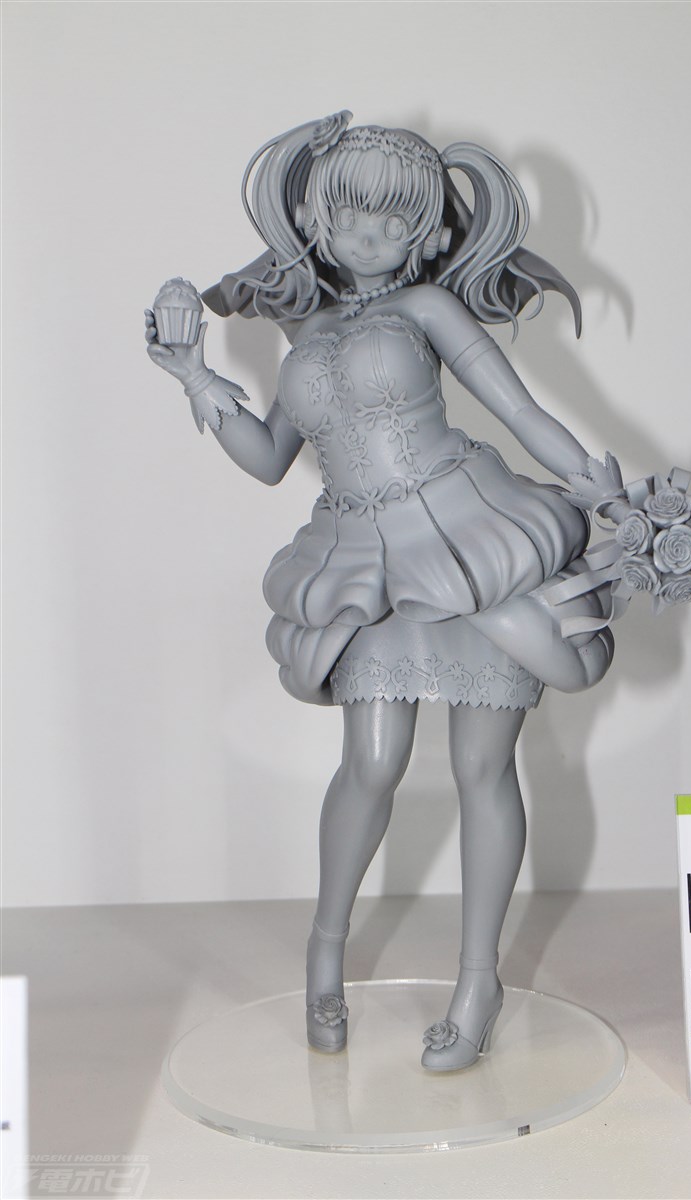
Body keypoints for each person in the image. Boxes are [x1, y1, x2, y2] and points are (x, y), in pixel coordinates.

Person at [146, 111, 617, 1072]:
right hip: (363, 555)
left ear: (428, 234)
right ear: (318, 222)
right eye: (350, 216)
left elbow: (520, 409)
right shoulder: (309, 330)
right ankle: (324, 949)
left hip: (469, 532)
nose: (369, 236)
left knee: (483, 766)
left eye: (393, 220)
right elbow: (269, 457)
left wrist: (596, 485)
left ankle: (477, 981)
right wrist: (193, 376)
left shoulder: (430, 310)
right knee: (370, 763)